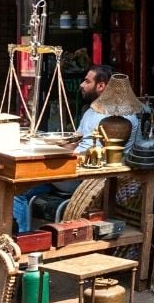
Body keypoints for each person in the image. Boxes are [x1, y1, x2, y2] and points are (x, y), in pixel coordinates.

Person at [11, 65, 138, 234]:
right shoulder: (92, 111)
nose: (81, 85)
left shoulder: (121, 118)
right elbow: (74, 142)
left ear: (101, 86)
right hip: (67, 172)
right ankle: (22, 238)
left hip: (87, 179)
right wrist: (47, 145)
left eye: (87, 81)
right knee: (16, 189)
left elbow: (100, 159)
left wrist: (61, 158)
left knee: (22, 175)